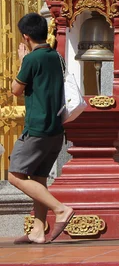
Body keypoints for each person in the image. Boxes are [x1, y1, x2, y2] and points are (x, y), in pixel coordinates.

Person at [8, 13, 75, 244]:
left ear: (26, 36)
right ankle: (38, 230)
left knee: (14, 175)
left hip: (36, 129)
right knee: (38, 178)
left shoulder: (32, 59)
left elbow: (15, 90)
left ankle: (60, 209)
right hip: (56, 130)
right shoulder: (57, 56)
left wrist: (21, 60)